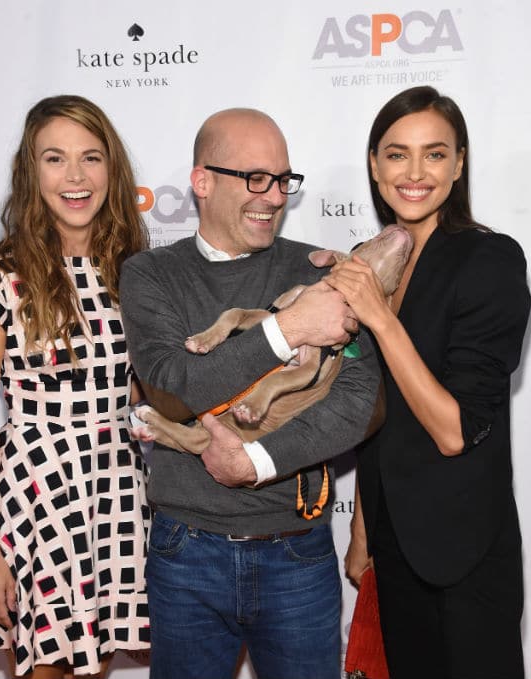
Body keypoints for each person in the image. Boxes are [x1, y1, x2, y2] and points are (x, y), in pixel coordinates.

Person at [120, 107, 382, 679]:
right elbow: (173, 391)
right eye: (256, 178)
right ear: (203, 181)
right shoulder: (149, 274)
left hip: (297, 552)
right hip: (186, 551)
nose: (274, 195)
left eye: (284, 179)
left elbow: (361, 403)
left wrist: (256, 462)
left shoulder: (320, 270)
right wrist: (287, 329)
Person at [326, 86, 531, 679]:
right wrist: (364, 533)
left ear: (460, 163)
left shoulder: (488, 260)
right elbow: (375, 412)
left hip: (463, 550)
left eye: (435, 154)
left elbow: (453, 430)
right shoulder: (370, 262)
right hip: (393, 547)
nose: (414, 173)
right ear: (373, 163)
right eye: (396, 154)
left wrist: (381, 317)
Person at [0, 95, 151, 678]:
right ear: (31, 174)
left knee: (95, 668)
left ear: (112, 169)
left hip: (115, 491)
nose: (76, 177)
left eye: (91, 158)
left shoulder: (132, 272)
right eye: (55, 159)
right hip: (37, 498)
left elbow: (140, 392)